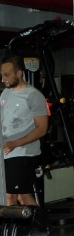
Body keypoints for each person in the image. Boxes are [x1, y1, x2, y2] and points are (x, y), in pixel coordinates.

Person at [0, 55, 48, 206]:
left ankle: (9, 224)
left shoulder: (34, 96)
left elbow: (42, 129)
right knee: (23, 197)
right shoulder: (5, 93)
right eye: (1, 75)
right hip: (6, 152)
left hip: (24, 153)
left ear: (19, 73)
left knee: (9, 197)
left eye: (6, 75)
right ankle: (40, 221)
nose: (3, 79)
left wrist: (15, 143)